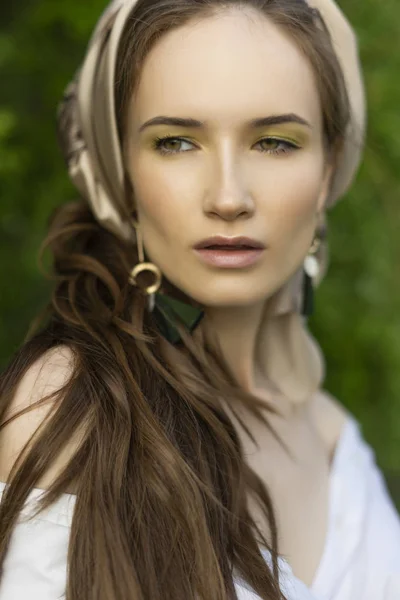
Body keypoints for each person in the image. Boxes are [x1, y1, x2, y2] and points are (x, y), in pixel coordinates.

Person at [0, 0, 399, 598]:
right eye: (177, 143)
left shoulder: (331, 431)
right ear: (122, 171)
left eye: (274, 142)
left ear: (328, 171)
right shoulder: (72, 410)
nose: (229, 196)